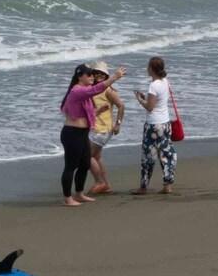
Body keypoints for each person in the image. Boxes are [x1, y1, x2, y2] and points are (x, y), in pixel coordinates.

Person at [59, 61, 121, 206]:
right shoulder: (77, 90)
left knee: (85, 163)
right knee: (71, 166)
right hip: (72, 134)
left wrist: (98, 111)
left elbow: (84, 114)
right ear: (80, 76)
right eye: (89, 75)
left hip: (82, 133)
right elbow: (97, 89)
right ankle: (68, 198)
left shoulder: (84, 91)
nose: (92, 77)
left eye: (92, 74)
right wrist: (114, 77)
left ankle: (79, 194)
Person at [134, 55, 177, 195]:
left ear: (151, 69)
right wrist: (146, 99)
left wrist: (140, 100)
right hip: (165, 122)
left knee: (148, 155)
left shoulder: (153, 85)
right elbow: (158, 102)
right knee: (166, 154)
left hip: (153, 124)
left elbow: (150, 107)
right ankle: (168, 184)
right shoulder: (165, 81)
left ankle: (143, 186)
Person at [88, 68, 126, 194]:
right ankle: (106, 185)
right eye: (96, 73)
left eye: (102, 74)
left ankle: (100, 182)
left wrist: (118, 124)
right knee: (97, 157)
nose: (99, 75)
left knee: (86, 156)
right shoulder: (93, 89)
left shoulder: (107, 90)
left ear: (106, 76)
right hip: (95, 128)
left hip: (103, 129)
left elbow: (121, 105)